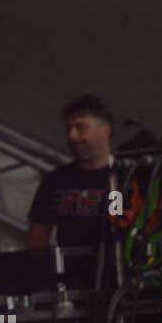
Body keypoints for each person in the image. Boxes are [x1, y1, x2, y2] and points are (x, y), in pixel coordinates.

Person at [26, 95, 115, 254]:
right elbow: (36, 242)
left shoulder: (126, 176)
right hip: (68, 269)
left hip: (117, 268)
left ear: (105, 130)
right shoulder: (55, 180)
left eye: (81, 127)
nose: (72, 136)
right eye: (69, 129)